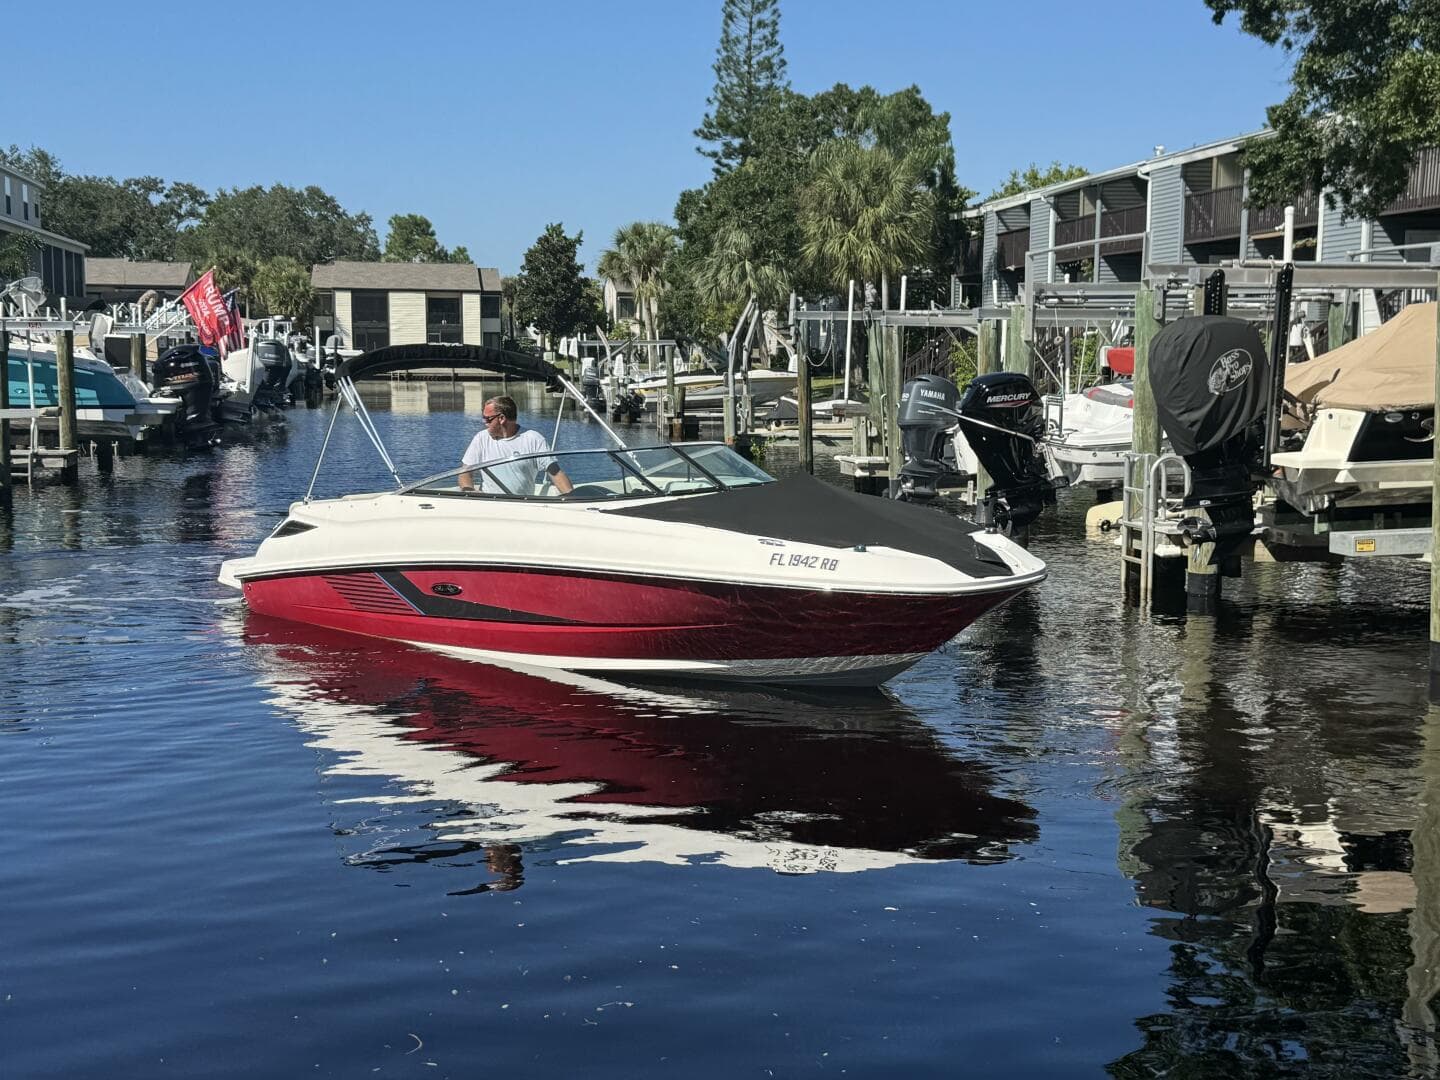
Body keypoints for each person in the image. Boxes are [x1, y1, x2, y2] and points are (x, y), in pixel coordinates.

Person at [458, 395, 574, 495]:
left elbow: (556, 473)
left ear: (502, 418)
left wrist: (571, 498)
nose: (484, 423)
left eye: (488, 419)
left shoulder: (533, 439)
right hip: (489, 504)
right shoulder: (481, 438)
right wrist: (469, 492)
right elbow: (465, 472)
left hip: (521, 505)